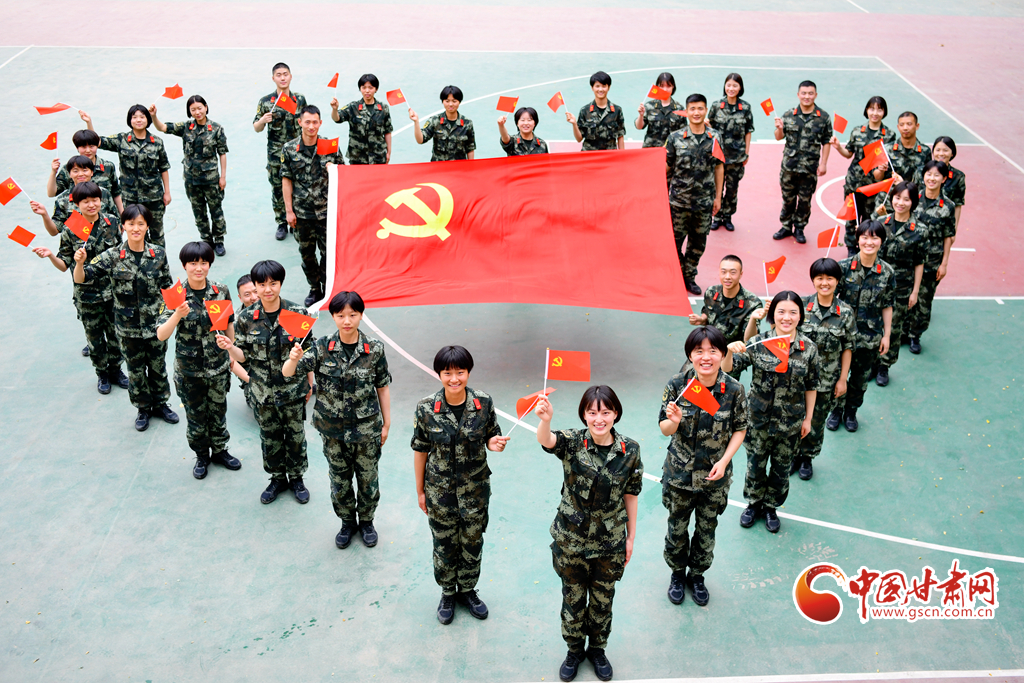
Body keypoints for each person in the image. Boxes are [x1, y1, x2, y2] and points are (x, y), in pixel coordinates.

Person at [535, 386, 642, 683]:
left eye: (605, 412)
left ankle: (597, 650)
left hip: (609, 542)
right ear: (584, 415)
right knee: (572, 600)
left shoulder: (630, 450)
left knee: (602, 601)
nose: (599, 419)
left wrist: (631, 537)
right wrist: (545, 419)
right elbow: (547, 440)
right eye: (592, 412)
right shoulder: (572, 442)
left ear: (615, 413)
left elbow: (631, 494)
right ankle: (573, 651)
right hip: (571, 541)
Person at [283, 291, 392, 549]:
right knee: (339, 480)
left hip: (366, 429)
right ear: (332, 316)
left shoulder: (374, 349)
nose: (347, 321)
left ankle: (367, 522)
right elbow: (288, 373)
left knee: (368, 479)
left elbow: (382, 386)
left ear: (361, 315)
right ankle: (347, 522)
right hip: (332, 430)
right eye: (341, 315)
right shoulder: (322, 347)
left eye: (353, 315)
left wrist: (386, 424)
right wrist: (293, 358)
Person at [411, 346, 508, 625]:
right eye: (447, 373)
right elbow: (420, 450)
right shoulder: (426, 408)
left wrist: (494, 444)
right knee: (444, 545)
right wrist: (420, 491)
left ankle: (467, 590)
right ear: (439, 374)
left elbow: (491, 436)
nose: (454, 379)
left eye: (460, 372)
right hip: (440, 493)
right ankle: (447, 593)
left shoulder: (483, 402)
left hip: (475, 491)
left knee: (472, 542)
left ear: (469, 372)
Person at [659, 327, 747, 607]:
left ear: (722, 354)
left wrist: (724, 460)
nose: (706, 357)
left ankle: (696, 576)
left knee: (706, 531)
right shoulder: (678, 385)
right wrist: (674, 421)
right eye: (699, 351)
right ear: (690, 355)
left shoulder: (734, 389)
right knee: (677, 530)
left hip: (714, 478)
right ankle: (677, 574)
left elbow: (740, 428)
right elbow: (664, 428)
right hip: (680, 476)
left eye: (713, 351)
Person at [74, 204, 178, 431]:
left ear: (147, 226)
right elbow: (82, 278)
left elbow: (167, 287)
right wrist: (80, 263)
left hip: (155, 326)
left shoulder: (158, 254)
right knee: (136, 370)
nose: (136, 228)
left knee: (158, 367)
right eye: (131, 224)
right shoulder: (113, 256)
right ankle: (143, 409)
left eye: (141, 223)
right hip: (127, 328)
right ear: (123, 227)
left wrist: (171, 317)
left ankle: (161, 404)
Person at [218, 260, 314, 504]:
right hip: (262, 392)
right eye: (262, 285)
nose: (268, 289)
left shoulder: (297, 313)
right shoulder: (246, 318)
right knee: (270, 438)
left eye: (273, 283)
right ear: (255, 286)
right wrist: (230, 347)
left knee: (295, 437)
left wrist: (310, 383)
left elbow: (309, 351)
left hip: (292, 391)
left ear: (281, 283)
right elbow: (243, 356)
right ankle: (277, 479)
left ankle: (297, 478)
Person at [724, 291, 819, 533]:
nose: (787, 317)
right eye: (781, 312)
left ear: (800, 316)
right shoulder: (760, 342)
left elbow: (811, 386)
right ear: (772, 315)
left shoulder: (809, 348)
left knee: (781, 468)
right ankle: (753, 504)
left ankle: (771, 507)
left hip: (790, 423)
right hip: (758, 420)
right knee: (755, 465)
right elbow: (729, 369)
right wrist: (729, 351)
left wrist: (808, 419)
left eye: (793, 312)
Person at [156, 241, 241, 479]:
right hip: (189, 372)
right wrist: (177, 315)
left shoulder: (220, 291)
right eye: (193, 263)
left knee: (218, 412)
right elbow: (161, 334)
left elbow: (229, 325)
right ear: (184, 265)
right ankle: (202, 455)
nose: (199, 268)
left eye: (204, 263)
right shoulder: (176, 295)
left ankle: (220, 451)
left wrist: (230, 347)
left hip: (217, 368)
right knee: (196, 416)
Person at [31, 182, 126, 393]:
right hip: (87, 295)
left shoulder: (112, 222)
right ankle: (102, 374)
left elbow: (120, 255)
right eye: (86, 201)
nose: (92, 205)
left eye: (95, 200)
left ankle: (116, 370)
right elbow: (64, 265)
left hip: (113, 292)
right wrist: (51, 256)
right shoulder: (71, 228)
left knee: (116, 335)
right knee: (94, 339)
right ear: (77, 204)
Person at [794, 258, 855, 480]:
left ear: (837, 281)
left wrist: (843, 379)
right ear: (813, 280)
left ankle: (807, 458)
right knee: (794, 418)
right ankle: (793, 456)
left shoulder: (845, 312)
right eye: (819, 278)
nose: (824, 283)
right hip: (798, 379)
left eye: (830, 278)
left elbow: (847, 347)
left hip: (825, 381)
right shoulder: (801, 306)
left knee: (817, 421)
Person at [831, 221, 895, 432]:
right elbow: (830, 299)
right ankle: (836, 410)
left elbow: (887, 304)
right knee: (837, 375)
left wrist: (887, 335)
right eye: (865, 237)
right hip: (842, 336)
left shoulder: (887, 272)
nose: (869, 242)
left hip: (869, 337)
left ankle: (851, 412)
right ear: (857, 240)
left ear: (881, 241)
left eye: (874, 238)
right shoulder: (843, 267)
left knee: (860, 379)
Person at [281, 105, 346, 307]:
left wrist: (334, 168)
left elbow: (344, 174)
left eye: (315, 122)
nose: (311, 126)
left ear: (320, 123)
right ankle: (314, 288)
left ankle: (328, 287)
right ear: (300, 122)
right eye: (307, 122)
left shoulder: (330, 146)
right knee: (307, 255)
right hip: (302, 213)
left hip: (327, 211)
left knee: (329, 254)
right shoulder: (289, 149)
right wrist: (289, 211)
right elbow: (286, 180)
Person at [150, 96, 230, 255]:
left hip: (211, 179)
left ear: (206, 107)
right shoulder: (186, 127)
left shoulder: (216, 128)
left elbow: (222, 153)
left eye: (200, 108)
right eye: (193, 109)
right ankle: (207, 240)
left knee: (216, 211)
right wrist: (154, 116)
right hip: (191, 180)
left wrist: (223, 177)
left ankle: (219, 241)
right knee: (199, 212)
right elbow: (163, 127)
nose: (197, 112)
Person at [85, 106, 172, 246]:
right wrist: (89, 122)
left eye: (142, 117)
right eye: (134, 117)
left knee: (157, 233)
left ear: (148, 119)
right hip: (130, 198)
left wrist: (167, 192)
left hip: (154, 197)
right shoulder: (122, 140)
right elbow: (98, 141)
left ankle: (159, 259)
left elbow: (163, 168)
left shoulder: (157, 142)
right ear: (129, 120)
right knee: (136, 233)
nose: (138, 120)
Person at [665, 94, 724, 295]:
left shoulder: (715, 137)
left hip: (704, 202)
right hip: (678, 203)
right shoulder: (675, 137)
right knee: (673, 243)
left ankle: (689, 277)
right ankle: (677, 273)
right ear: (686, 111)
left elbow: (719, 167)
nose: (696, 112)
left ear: (706, 110)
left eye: (700, 108)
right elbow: (666, 167)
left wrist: (718, 197)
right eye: (692, 108)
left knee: (698, 243)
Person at [829, 96, 896, 254]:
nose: (875, 113)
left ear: (884, 112)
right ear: (866, 110)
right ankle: (851, 247)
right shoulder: (857, 131)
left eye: (879, 109)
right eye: (872, 109)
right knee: (851, 216)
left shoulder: (889, 135)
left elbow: (889, 159)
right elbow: (849, 153)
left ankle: (865, 247)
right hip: (854, 182)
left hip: (874, 186)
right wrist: (838, 147)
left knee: (869, 218)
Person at [875, 182, 926, 386]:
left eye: (906, 199)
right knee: (873, 325)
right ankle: (872, 364)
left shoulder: (920, 230)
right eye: (897, 198)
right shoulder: (881, 223)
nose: (900, 203)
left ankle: (884, 366)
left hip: (901, 288)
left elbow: (919, 263)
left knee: (893, 328)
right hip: (877, 285)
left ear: (913, 202)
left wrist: (915, 291)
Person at [904, 160, 956, 355]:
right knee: (904, 296)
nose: (931, 178)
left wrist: (944, 263)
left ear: (944, 179)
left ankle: (915, 335)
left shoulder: (947, 206)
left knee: (923, 300)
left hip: (931, 261)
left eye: (936, 175)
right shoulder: (912, 198)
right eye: (928, 174)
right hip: (908, 259)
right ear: (923, 176)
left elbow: (948, 236)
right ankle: (902, 332)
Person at [773, 81, 832, 245]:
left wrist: (824, 163)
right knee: (788, 199)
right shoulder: (788, 115)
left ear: (816, 95)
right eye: (804, 93)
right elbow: (778, 137)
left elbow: (826, 141)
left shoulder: (823, 118)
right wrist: (779, 128)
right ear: (798, 95)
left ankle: (799, 228)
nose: (807, 96)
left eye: (810, 93)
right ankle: (786, 226)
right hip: (789, 167)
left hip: (809, 169)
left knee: (805, 201)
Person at [254, 62, 307, 241]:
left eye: (285, 74)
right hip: (276, 154)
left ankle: (296, 221)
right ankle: (282, 222)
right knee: (277, 188)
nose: (282, 78)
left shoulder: (300, 99)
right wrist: (263, 120)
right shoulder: (266, 102)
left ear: (290, 76)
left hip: (297, 152)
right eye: (279, 75)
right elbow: (256, 127)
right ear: (273, 78)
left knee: (299, 186)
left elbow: (307, 122)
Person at [688, 254, 763, 378]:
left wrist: (753, 319)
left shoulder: (752, 303)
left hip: (729, 356)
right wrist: (701, 319)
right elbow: (707, 312)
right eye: (723, 272)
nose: (727, 277)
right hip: (708, 349)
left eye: (733, 272)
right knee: (687, 379)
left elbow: (749, 339)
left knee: (723, 388)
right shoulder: (711, 292)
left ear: (741, 274)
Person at [707, 73, 755, 232]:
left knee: (732, 189)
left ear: (740, 88)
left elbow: (748, 131)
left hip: (736, 157)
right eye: (728, 85)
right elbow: (709, 129)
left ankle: (727, 217)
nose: (731, 88)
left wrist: (746, 153)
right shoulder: (716, 106)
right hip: (718, 156)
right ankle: (716, 216)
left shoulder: (745, 107)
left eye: (735, 85)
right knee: (717, 187)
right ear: (725, 86)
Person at [34, 157, 119, 236]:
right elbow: (54, 231)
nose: (81, 174)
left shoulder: (104, 193)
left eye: (85, 170)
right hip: (77, 245)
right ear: (69, 174)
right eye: (75, 171)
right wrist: (44, 215)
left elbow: (116, 222)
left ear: (92, 172)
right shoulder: (63, 200)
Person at [48, 125, 123, 214]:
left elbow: (116, 193)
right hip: (79, 217)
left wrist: (122, 216)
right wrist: (53, 172)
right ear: (77, 148)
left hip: (103, 217)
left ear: (97, 146)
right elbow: (52, 193)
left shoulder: (108, 166)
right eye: (83, 147)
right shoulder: (69, 168)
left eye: (91, 146)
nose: (88, 150)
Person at [330, 73, 393, 165]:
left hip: (378, 157)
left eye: (370, 88)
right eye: (364, 87)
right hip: (357, 158)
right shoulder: (353, 107)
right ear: (360, 89)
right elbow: (337, 118)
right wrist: (334, 109)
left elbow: (387, 131)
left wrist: (388, 152)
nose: (367, 91)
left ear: (376, 89)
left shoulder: (383, 108)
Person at [409, 86, 476, 161]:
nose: (450, 104)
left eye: (454, 101)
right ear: (442, 101)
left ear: (459, 102)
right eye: (447, 101)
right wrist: (416, 122)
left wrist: (470, 166)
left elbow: (470, 148)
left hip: (459, 167)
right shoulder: (435, 121)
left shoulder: (467, 123)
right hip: (438, 166)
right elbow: (420, 140)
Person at [567, 71, 625, 151]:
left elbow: (620, 136)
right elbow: (579, 139)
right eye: (597, 86)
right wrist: (574, 124)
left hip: (610, 156)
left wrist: (622, 156)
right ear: (592, 88)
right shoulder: (585, 111)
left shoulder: (617, 110)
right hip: (590, 156)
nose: (600, 89)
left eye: (604, 86)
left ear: (609, 87)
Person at [634, 71, 684, 149]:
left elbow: (683, 133)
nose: (665, 89)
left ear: (673, 87)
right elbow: (639, 127)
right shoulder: (649, 106)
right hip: (651, 150)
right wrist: (641, 115)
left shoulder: (679, 108)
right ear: (657, 87)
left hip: (670, 151)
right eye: (662, 86)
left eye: (668, 86)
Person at [231, 274, 259, 408]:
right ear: (240, 298)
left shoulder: (277, 310)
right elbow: (231, 360)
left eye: (256, 291)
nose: (254, 297)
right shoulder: (235, 323)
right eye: (247, 294)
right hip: (252, 371)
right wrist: (251, 381)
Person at [889, 112, 931, 187]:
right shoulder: (888, 149)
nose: (905, 128)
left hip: (915, 192)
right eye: (902, 125)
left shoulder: (925, 151)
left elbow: (928, 176)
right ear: (898, 127)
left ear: (917, 126)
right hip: (894, 192)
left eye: (909, 124)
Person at [932, 136, 966, 231]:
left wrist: (953, 230)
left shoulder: (958, 176)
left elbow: (957, 205)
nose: (941, 154)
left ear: (952, 153)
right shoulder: (922, 172)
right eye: (938, 150)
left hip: (943, 226)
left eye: (945, 150)